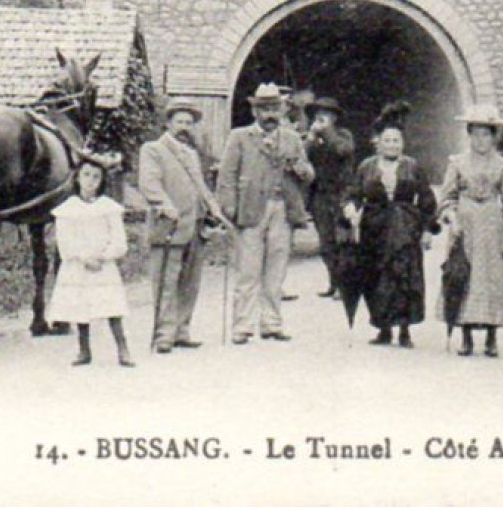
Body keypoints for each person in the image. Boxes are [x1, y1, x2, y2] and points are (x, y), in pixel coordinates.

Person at [218, 82, 315, 344]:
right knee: (248, 270)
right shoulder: (240, 137)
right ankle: (242, 326)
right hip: (251, 209)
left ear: (282, 111)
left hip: (283, 209)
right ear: (255, 112)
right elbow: (226, 175)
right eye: (265, 109)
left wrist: (299, 168)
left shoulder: (292, 138)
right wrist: (228, 207)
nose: (270, 114)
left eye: (275, 108)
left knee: (276, 269)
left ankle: (272, 323)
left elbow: (308, 174)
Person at [139, 98, 229, 354]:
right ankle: (163, 335)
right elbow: (149, 184)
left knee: (190, 283)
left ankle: (182, 330)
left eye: (189, 122)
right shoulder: (153, 149)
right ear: (168, 123)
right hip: (168, 227)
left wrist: (214, 208)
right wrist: (165, 205)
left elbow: (200, 186)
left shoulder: (191, 154)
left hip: (195, 227)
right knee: (166, 282)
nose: (184, 126)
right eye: (179, 121)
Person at [348, 107, 437, 348]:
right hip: (375, 229)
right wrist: (350, 207)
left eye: (396, 140)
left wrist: (428, 230)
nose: (391, 145)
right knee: (376, 277)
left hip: (406, 228)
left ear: (403, 143)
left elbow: (428, 200)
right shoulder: (366, 167)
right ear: (378, 143)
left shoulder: (413, 167)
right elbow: (353, 194)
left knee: (405, 277)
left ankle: (405, 330)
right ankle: (383, 329)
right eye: (387, 140)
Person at [438, 105, 503, 357]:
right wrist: (452, 218)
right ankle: (465, 335)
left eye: (486, 134)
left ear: (494, 137)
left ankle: (492, 337)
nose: (480, 140)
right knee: (464, 275)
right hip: (464, 226)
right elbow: (447, 196)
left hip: (492, 227)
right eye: (475, 134)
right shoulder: (457, 162)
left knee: (492, 279)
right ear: (469, 135)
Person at [49, 162, 133, 367]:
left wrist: (103, 257)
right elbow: (65, 242)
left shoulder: (108, 208)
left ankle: (123, 349)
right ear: (77, 178)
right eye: (86, 175)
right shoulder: (67, 210)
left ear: (101, 181)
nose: (90, 181)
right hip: (78, 265)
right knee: (80, 306)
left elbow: (119, 241)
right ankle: (84, 350)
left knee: (111, 306)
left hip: (103, 265)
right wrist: (84, 257)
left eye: (96, 176)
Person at [303, 96, 358, 298]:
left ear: (334, 117)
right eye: (318, 113)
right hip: (320, 195)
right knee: (326, 243)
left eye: (326, 113)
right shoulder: (313, 138)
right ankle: (333, 282)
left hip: (341, 194)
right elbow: (301, 157)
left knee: (342, 241)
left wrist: (327, 132)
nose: (321, 117)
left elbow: (343, 151)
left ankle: (345, 286)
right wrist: (310, 137)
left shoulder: (343, 135)